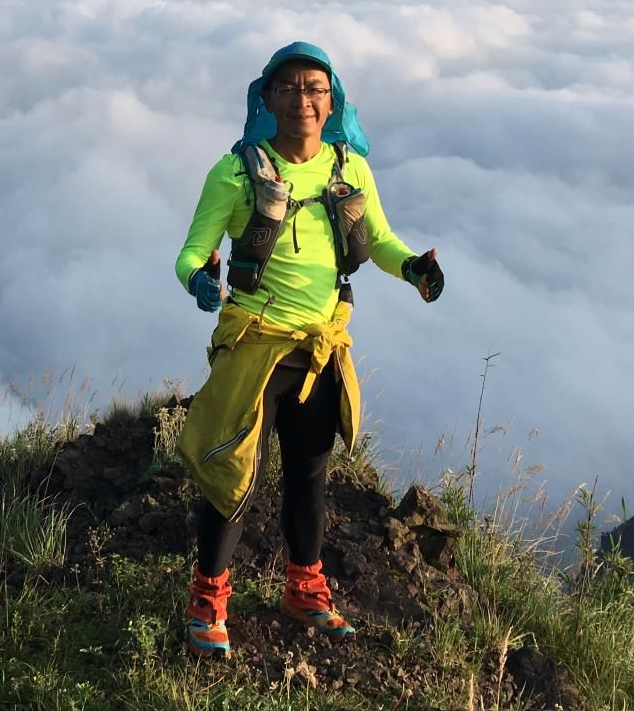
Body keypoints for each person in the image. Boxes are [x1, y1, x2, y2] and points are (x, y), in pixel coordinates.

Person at [173, 41, 444, 659]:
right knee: (231, 474)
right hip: (255, 343)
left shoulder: (351, 169)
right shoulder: (236, 172)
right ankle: (209, 599)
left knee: (310, 474)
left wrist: (415, 270)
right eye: (289, 88)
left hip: (321, 347)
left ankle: (304, 590)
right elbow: (192, 249)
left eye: (315, 88)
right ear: (267, 99)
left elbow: (378, 240)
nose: (303, 99)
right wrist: (199, 278)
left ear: (333, 101)